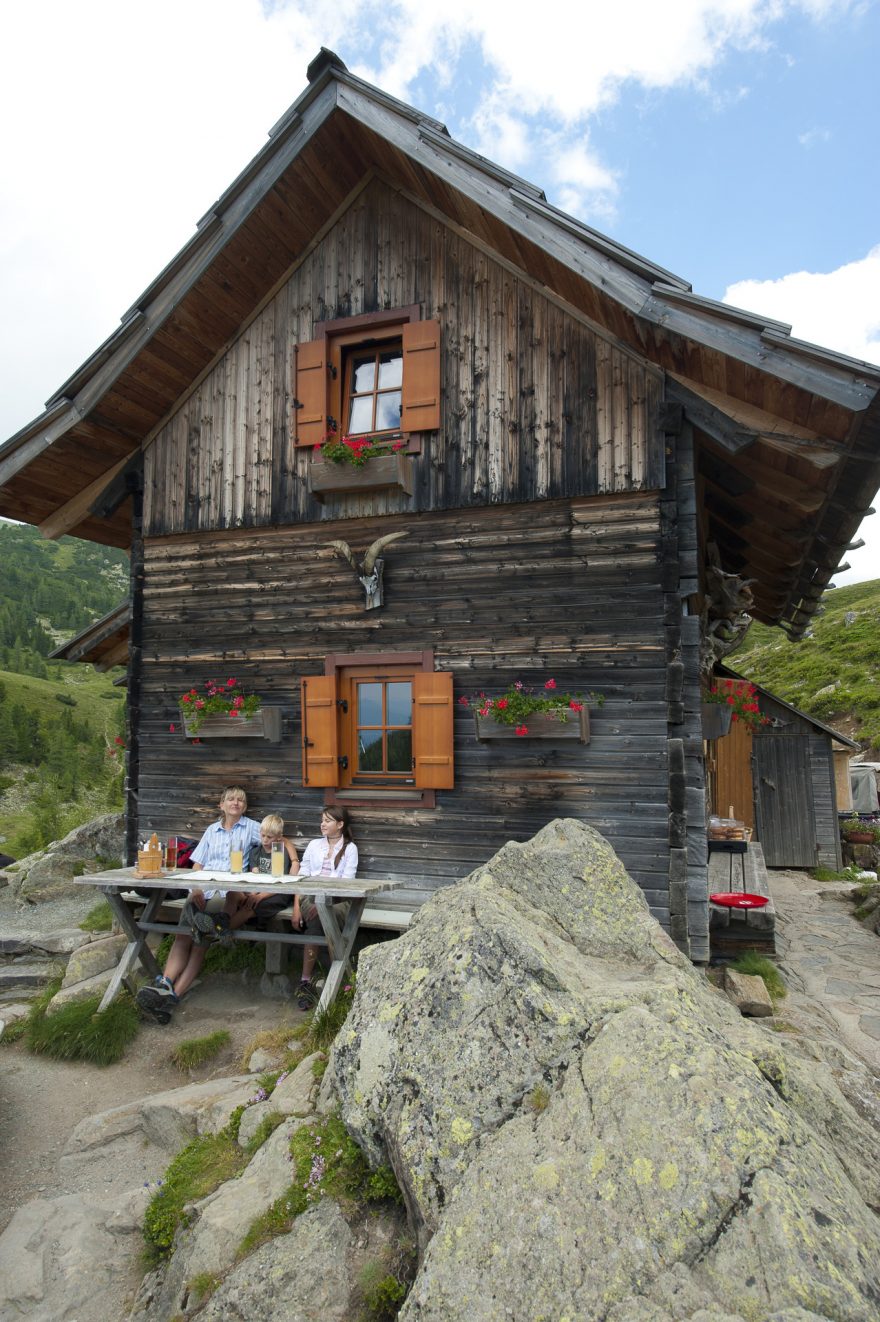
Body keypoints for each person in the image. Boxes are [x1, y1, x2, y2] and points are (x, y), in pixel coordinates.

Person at [136, 785, 261, 1019]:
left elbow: (276, 838)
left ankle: (174, 996)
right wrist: (194, 889)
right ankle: (165, 983)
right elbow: (197, 865)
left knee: (199, 940)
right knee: (182, 936)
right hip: (203, 889)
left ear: (245, 807)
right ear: (221, 805)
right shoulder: (212, 831)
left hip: (228, 894)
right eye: (231, 799)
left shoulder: (253, 828)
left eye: (241, 801)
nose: (236, 803)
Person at [294, 807, 358, 1010]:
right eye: (322, 820)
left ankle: (308, 981)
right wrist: (299, 905)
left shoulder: (350, 849)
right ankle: (334, 983)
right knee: (317, 918)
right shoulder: (314, 845)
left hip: (338, 900)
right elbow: (301, 877)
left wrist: (324, 902)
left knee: (318, 921)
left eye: (328, 821)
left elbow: (348, 883)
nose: (323, 824)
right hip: (310, 898)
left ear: (340, 825)